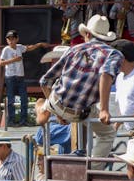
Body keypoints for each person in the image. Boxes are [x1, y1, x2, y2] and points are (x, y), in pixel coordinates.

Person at [38, 15, 122, 169]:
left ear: (87, 34)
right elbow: (105, 74)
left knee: (41, 103)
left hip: (57, 102)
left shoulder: (73, 49)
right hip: (80, 111)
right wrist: (104, 109)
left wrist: (57, 112)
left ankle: (44, 110)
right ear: (106, 38)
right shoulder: (113, 54)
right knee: (107, 133)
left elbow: (44, 81)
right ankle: (92, 170)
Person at [0, 30, 46, 127]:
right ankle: (11, 121)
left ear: (17, 39)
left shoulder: (19, 47)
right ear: (7, 40)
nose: (11, 41)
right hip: (10, 77)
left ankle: (23, 120)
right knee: (11, 100)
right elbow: (0, 63)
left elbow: (29, 48)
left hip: (20, 77)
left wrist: (39, 44)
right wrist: (14, 60)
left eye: (13, 39)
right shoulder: (6, 50)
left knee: (24, 99)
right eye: (9, 39)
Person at [112, 39, 134, 136]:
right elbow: (124, 106)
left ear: (122, 58)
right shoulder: (119, 77)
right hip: (133, 131)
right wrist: (116, 125)